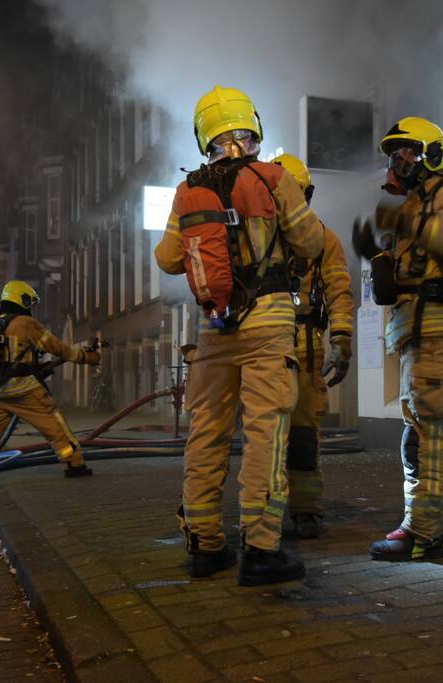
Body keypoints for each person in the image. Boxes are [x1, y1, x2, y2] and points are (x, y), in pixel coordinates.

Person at [155, 86, 324, 586]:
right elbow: (311, 241)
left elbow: (167, 259)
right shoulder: (273, 178)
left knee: (206, 431)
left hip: (215, 325)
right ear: (253, 129)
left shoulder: (188, 191)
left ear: (203, 133)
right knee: (264, 432)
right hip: (269, 322)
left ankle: (206, 545)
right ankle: (261, 548)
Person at [353, 116, 443, 561]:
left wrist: (406, 227)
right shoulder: (415, 203)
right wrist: (377, 255)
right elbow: (400, 281)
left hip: (438, 329)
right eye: (394, 155)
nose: (398, 162)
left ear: (430, 154)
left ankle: (422, 535)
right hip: (421, 330)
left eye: (406, 152)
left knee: (426, 436)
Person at [271, 153, 354, 539]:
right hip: (266, 350)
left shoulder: (324, 240)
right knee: (266, 435)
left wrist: (341, 339)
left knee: (303, 437)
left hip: (303, 353)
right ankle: (266, 512)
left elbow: (339, 291)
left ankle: (304, 510)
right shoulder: (258, 243)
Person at [0, 280, 100, 498]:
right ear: (20, 299)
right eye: (28, 301)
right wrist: (85, 356)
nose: (30, 306)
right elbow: (57, 348)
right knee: (55, 425)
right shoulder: (26, 323)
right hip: (22, 389)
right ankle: (74, 464)